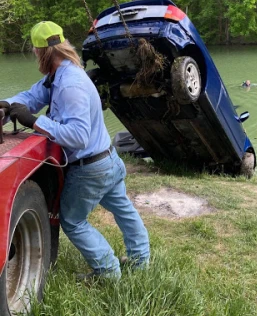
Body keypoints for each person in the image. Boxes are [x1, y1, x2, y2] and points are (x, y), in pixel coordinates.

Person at [1, 21, 150, 281]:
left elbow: (78, 137)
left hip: (90, 168)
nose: (35, 57)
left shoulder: (70, 86)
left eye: (35, 52)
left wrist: (34, 121)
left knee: (72, 221)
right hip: (108, 160)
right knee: (123, 209)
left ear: (42, 52)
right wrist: (7, 105)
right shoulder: (60, 75)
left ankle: (107, 271)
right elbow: (32, 96)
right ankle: (140, 260)